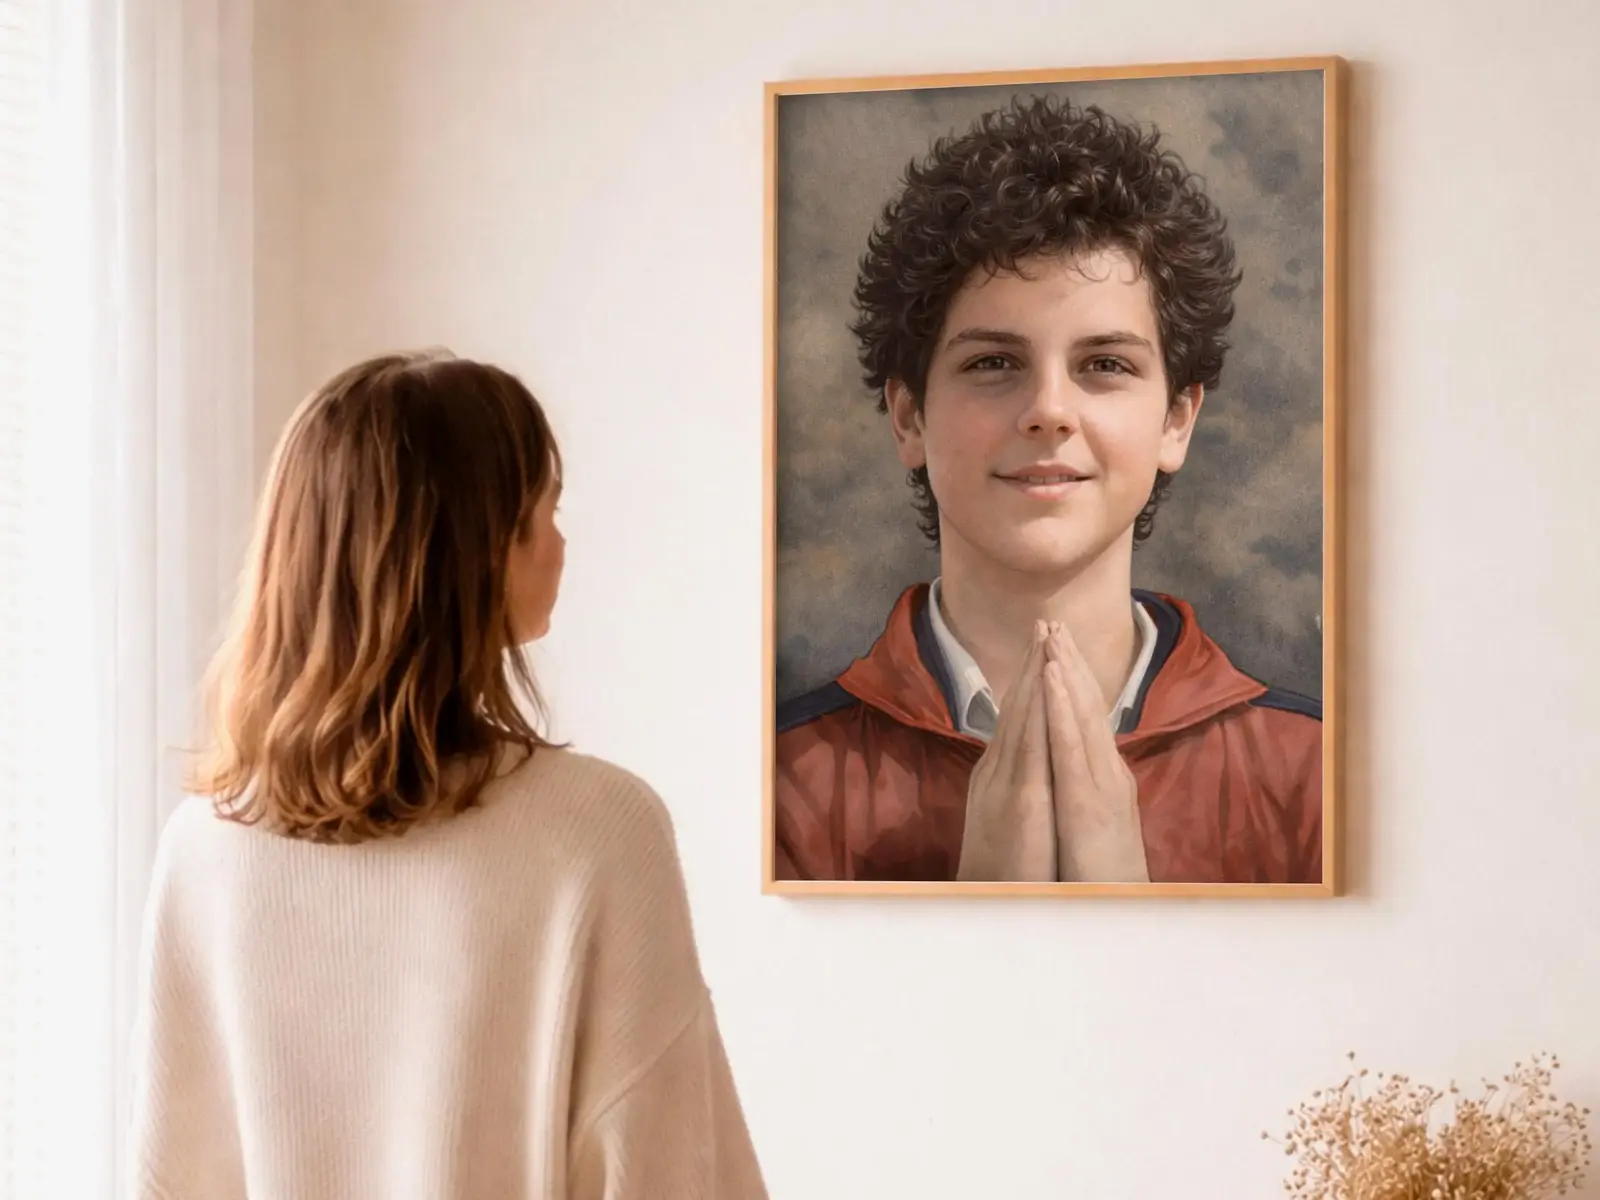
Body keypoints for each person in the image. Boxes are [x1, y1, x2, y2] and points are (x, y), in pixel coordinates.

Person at [128, 351, 768, 1198]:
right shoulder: (598, 832)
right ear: (474, 550)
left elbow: (170, 1177)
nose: (562, 544)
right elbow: (665, 1170)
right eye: (544, 511)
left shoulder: (204, 850)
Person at [774, 96, 1322, 885]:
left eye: (1105, 364)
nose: (1049, 412)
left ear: (1176, 421)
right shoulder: (784, 781)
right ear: (908, 418)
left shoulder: (1310, 772)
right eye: (993, 362)